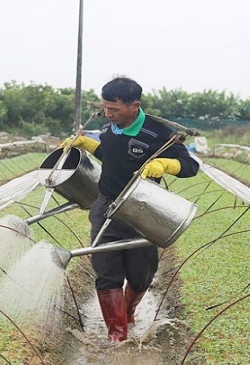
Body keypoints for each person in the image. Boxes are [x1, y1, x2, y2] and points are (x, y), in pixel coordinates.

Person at [63, 76, 200, 342]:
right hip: (106, 206)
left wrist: (164, 165)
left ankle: (128, 311)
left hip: (142, 210)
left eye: (114, 109)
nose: (108, 114)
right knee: (106, 272)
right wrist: (88, 145)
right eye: (105, 108)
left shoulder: (158, 133)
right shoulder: (108, 127)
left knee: (141, 275)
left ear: (134, 105)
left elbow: (191, 166)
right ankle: (118, 335)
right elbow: (113, 155)